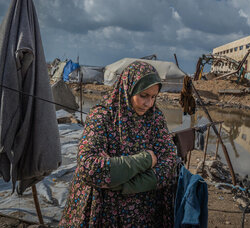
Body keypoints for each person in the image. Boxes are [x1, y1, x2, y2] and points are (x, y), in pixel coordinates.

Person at [59, 61, 177, 227]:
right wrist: (146, 160)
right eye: (143, 95)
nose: (148, 103)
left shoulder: (155, 117)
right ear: (128, 89)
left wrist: (128, 184)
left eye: (153, 97)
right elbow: (89, 166)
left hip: (144, 211)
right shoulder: (102, 116)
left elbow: (170, 161)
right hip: (103, 210)